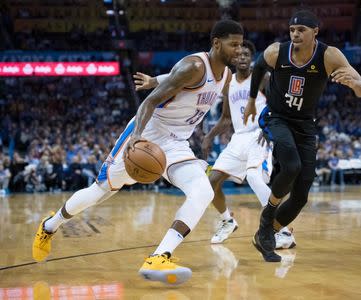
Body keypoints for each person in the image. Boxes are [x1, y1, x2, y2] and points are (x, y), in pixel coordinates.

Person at [32, 20, 244, 285]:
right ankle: (50, 225)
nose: (238, 50)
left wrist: (155, 78)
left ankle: (159, 256)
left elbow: (175, 80)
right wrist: (136, 136)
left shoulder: (224, 75)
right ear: (216, 43)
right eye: (233, 44)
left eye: (241, 45)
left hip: (177, 144)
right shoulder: (194, 66)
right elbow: (150, 101)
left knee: (203, 191)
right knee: (100, 191)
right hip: (147, 136)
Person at [244, 10, 361, 261]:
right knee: (291, 166)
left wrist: (356, 85)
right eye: (292, 30)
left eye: (301, 30)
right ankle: (268, 216)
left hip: (306, 124)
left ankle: (265, 234)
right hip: (277, 117)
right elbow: (258, 67)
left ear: (315, 32)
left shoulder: (330, 55)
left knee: (301, 196)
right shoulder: (275, 52)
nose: (295, 34)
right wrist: (250, 101)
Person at [200, 40, 296, 249]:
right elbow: (226, 118)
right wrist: (209, 136)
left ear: (252, 58)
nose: (242, 57)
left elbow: (280, 106)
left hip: (260, 136)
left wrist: (269, 128)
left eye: (246, 54)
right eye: (238, 54)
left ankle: (284, 231)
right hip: (238, 139)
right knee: (211, 182)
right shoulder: (229, 84)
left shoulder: (264, 78)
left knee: (253, 177)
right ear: (233, 58)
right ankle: (227, 220)